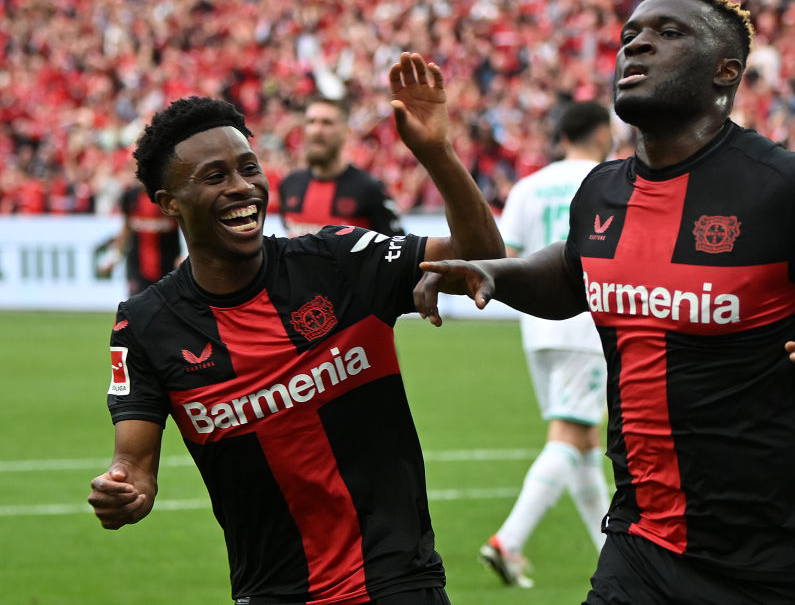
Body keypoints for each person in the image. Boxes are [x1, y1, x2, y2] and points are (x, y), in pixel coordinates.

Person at [415, 0, 795, 605]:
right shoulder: (602, 191)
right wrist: (497, 273)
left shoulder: (794, 187)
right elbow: (571, 275)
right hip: (642, 541)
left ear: (726, 71)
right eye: (630, 36)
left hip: (788, 552)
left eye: (668, 33)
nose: (636, 45)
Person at [87, 52, 505, 605]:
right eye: (215, 177)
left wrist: (437, 152)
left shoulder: (337, 260)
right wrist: (124, 491)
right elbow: (134, 467)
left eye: (249, 168)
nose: (242, 187)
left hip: (397, 583)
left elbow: (483, 257)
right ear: (170, 204)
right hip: (272, 593)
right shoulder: (144, 325)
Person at [479, 101, 613, 589]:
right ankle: (508, 540)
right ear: (602, 134)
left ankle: (609, 552)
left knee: (584, 441)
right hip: (589, 327)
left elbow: (507, 259)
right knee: (569, 435)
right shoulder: (613, 180)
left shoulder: (529, 187)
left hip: (538, 330)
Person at [279, 96, 405, 237]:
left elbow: (398, 245)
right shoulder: (289, 185)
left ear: (346, 133)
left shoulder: (370, 189)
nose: (316, 130)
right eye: (311, 122)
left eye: (327, 123)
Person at [98, 179, 183, 296]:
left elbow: (185, 226)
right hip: (137, 267)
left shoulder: (170, 198)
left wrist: (185, 254)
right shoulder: (130, 197)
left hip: (169, 266)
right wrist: (114, 257)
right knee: (138, 305)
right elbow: (126, 229)